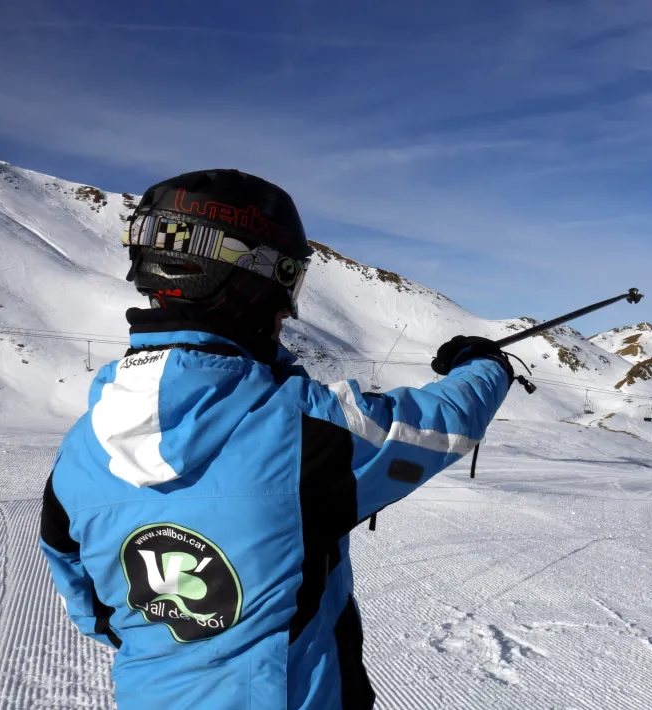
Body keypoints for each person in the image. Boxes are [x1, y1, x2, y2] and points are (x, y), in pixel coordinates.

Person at [38, 169, 513, 709]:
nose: (288, 308)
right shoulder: (305, 429)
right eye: (290, 279)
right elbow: (440, 425)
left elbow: (87, 598)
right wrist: (483, 363)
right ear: (254, 276)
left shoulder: (81, 447)